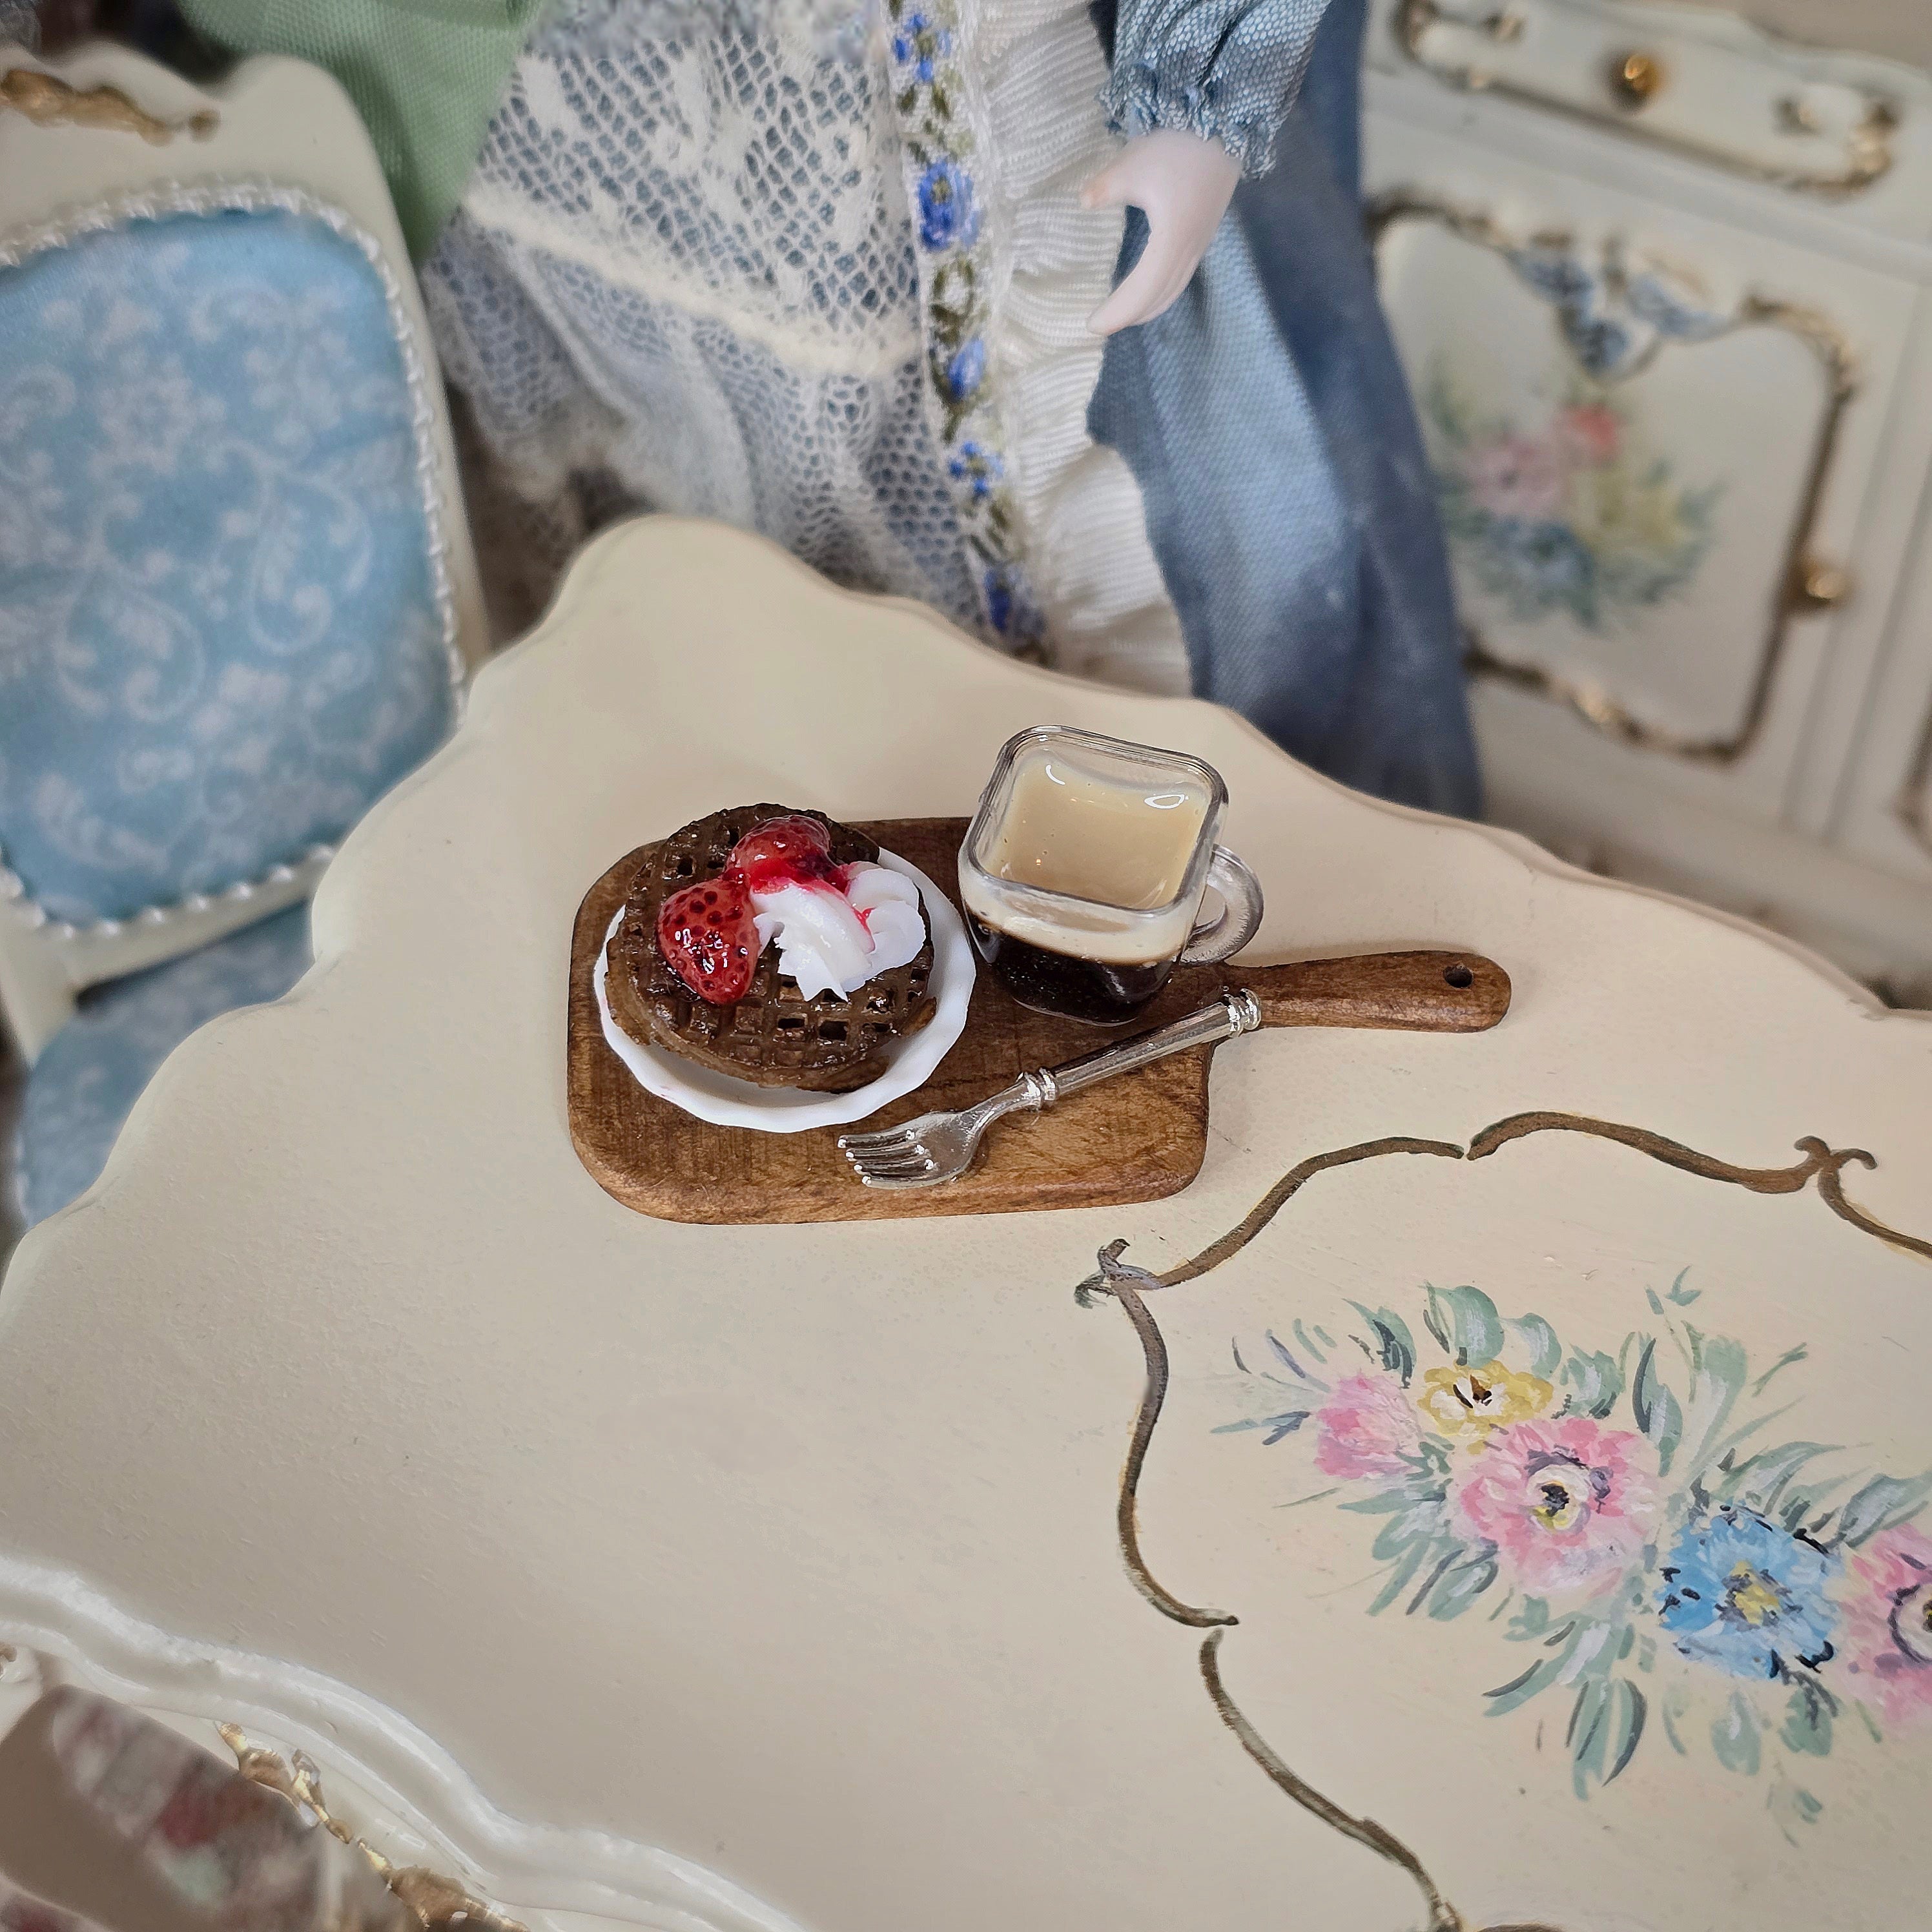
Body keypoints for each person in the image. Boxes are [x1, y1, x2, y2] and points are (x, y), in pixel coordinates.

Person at [173, 0, 1480, 814]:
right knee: (682, 614)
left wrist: (1200, 82)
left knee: (1185, 626)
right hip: (523, 121)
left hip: (965, 114)